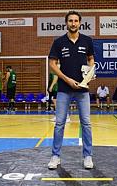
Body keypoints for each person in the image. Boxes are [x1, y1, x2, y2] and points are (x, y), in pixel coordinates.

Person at [48, 11, 95, 169]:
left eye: (76, 21)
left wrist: (90, 72)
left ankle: (87, 156)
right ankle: (55, 156)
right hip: (63, 89)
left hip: (83, 90)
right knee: (59, 123)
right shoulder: (59, 42)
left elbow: (91, 58)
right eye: (70, 21)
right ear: (66, 23)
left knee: (86, 123)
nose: (73, 23)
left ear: (80, 23)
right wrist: (67, 79)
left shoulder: (87, 41)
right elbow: (52, 64)